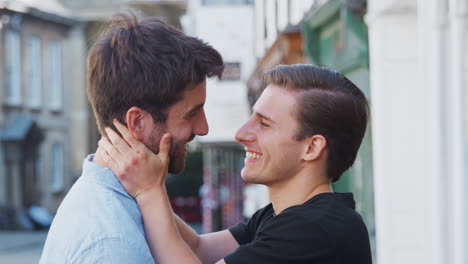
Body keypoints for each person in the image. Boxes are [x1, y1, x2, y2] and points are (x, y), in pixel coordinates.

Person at [99, 64, 373, 263]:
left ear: (311, 147)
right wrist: (142, 182)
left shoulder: (316, 229)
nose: (242, 133)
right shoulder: (281, 217)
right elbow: (199, 249)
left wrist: (148, 191)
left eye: (264, 124)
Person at [39, 12, 223, 263]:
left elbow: (200, 249)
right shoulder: (112, 246)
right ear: (137, 122)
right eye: (191, 114)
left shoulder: (124, 200)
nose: (203, 128)